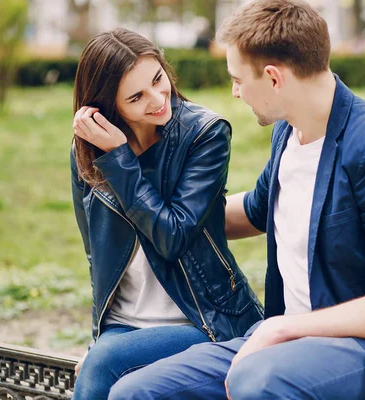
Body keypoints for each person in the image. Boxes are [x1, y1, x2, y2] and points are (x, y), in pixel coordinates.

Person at [108, 0, 365, 398]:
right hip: (284, 344)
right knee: (136, 393)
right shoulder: (288, 133)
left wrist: (283, 327)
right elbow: (252, 211)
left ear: (273, 78)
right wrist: (157, 209)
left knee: (258, 380)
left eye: (238, 79)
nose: (235, 93)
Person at [70, 28, 263, 400]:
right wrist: (98, 338)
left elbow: (172, 237)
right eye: (136, 96)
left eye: (158, 79)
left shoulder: (203, 134)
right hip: (124, 327)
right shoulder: (87, 150)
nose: (159, 99)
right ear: (108, 107)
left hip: (201, 319)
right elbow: (96, 252)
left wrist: (120, 160)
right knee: (105, 362)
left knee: (105, 363)